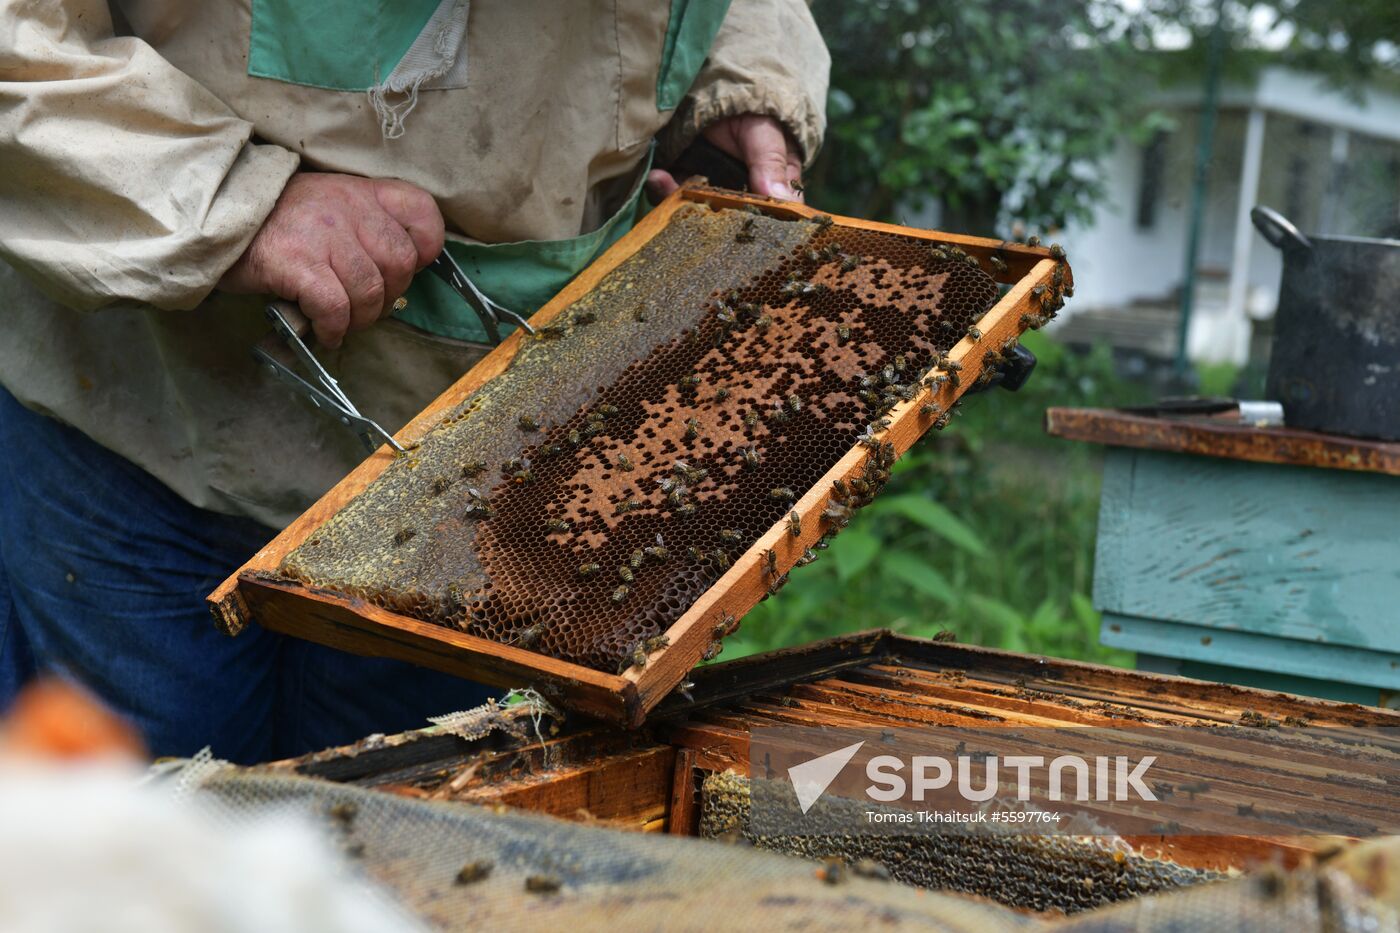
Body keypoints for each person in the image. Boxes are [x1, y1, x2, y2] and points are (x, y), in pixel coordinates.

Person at [0, 0, 830, 762]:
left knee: (410, 852)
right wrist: (221, 197)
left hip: (503, 472)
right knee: (147, 857)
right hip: (147, 423)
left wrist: (741, 84)